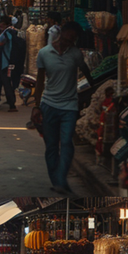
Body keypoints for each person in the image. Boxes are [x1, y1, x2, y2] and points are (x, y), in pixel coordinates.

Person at [31, 21, 95, 194]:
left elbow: (86, 72)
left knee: (66, 143)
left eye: (73, 40)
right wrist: (36, 106)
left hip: (69, 106)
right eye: (68, 38)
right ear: (61, 33)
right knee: (51, 145)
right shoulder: (44, 53)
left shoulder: (75, 54)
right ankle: (58, 181)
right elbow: (40, 82)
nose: (70, 42)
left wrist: (94, 91)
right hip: (49, 104)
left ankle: (60, 180)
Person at [0, 16, 18, 112]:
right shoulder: (12, 32)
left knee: (5, 83)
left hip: (4, 62)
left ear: (6, 24)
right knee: (2, 82)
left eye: (1, 23)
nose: (0, 25)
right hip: (5, 61)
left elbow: (0, 43)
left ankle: (11, 105)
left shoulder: (7, 32)